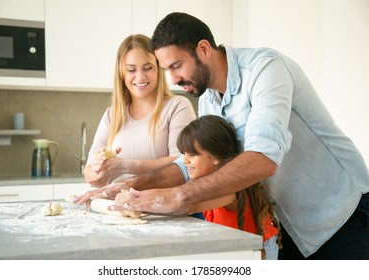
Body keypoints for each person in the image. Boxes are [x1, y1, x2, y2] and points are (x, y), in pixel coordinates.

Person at [78, 13, 369, 260]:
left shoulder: (266, 70)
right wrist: (132, 186)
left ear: (203, 49)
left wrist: (176, 197)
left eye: (176, 66)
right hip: (288, 228)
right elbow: (188, 165)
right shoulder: (208, 100)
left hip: (341, 214)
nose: (173, 80)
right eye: (166, 70)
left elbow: (264, 159)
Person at [82, 34, 196, 189]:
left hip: (165, 210)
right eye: (131, 69)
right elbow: (88, 171)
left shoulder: (178, 106)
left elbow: (182, 162)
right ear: (122, 74)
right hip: (120, 208)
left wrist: (126, 166)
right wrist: (99, 167)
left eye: (148, 68)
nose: (140, 77)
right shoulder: (112, 115)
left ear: (158, 70)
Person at [176, 115, 281, 260]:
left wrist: (145, 202)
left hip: (260, 249)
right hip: (237, 247)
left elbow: (189, 205)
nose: (184, 160)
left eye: (192, 154)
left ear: (215, 157)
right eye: (183, 153)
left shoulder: (229, 188)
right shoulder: (206, 179)